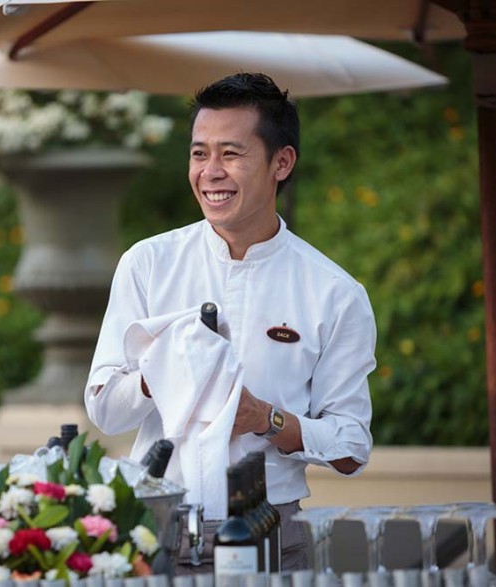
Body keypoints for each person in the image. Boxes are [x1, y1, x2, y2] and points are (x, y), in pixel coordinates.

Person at [84, 72, 376, 572]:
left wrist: (266, 419)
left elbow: (351, 446)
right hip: (155, 529)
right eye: (200, 153)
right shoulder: (148, 262)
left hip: (271, 531)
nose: (210, 171)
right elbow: (105, 410)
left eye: (231, 154)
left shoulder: (335, 292)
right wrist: (162, 374)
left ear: (281, 163)